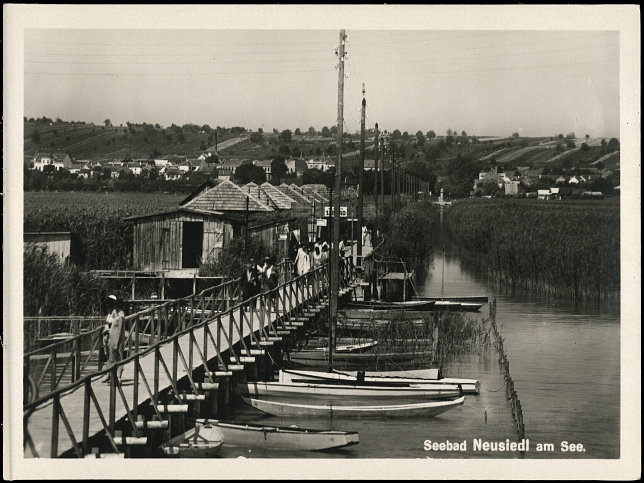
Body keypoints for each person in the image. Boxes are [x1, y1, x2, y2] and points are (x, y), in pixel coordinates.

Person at [102, 295, 125, 383]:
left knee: (117, 357)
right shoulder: (112, 313)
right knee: (110, 357)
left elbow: (119, 330)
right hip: (110, 337)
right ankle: (111, 375)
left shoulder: (120, 315)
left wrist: (117, 343)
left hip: (116, 339)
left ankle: (118, 377)